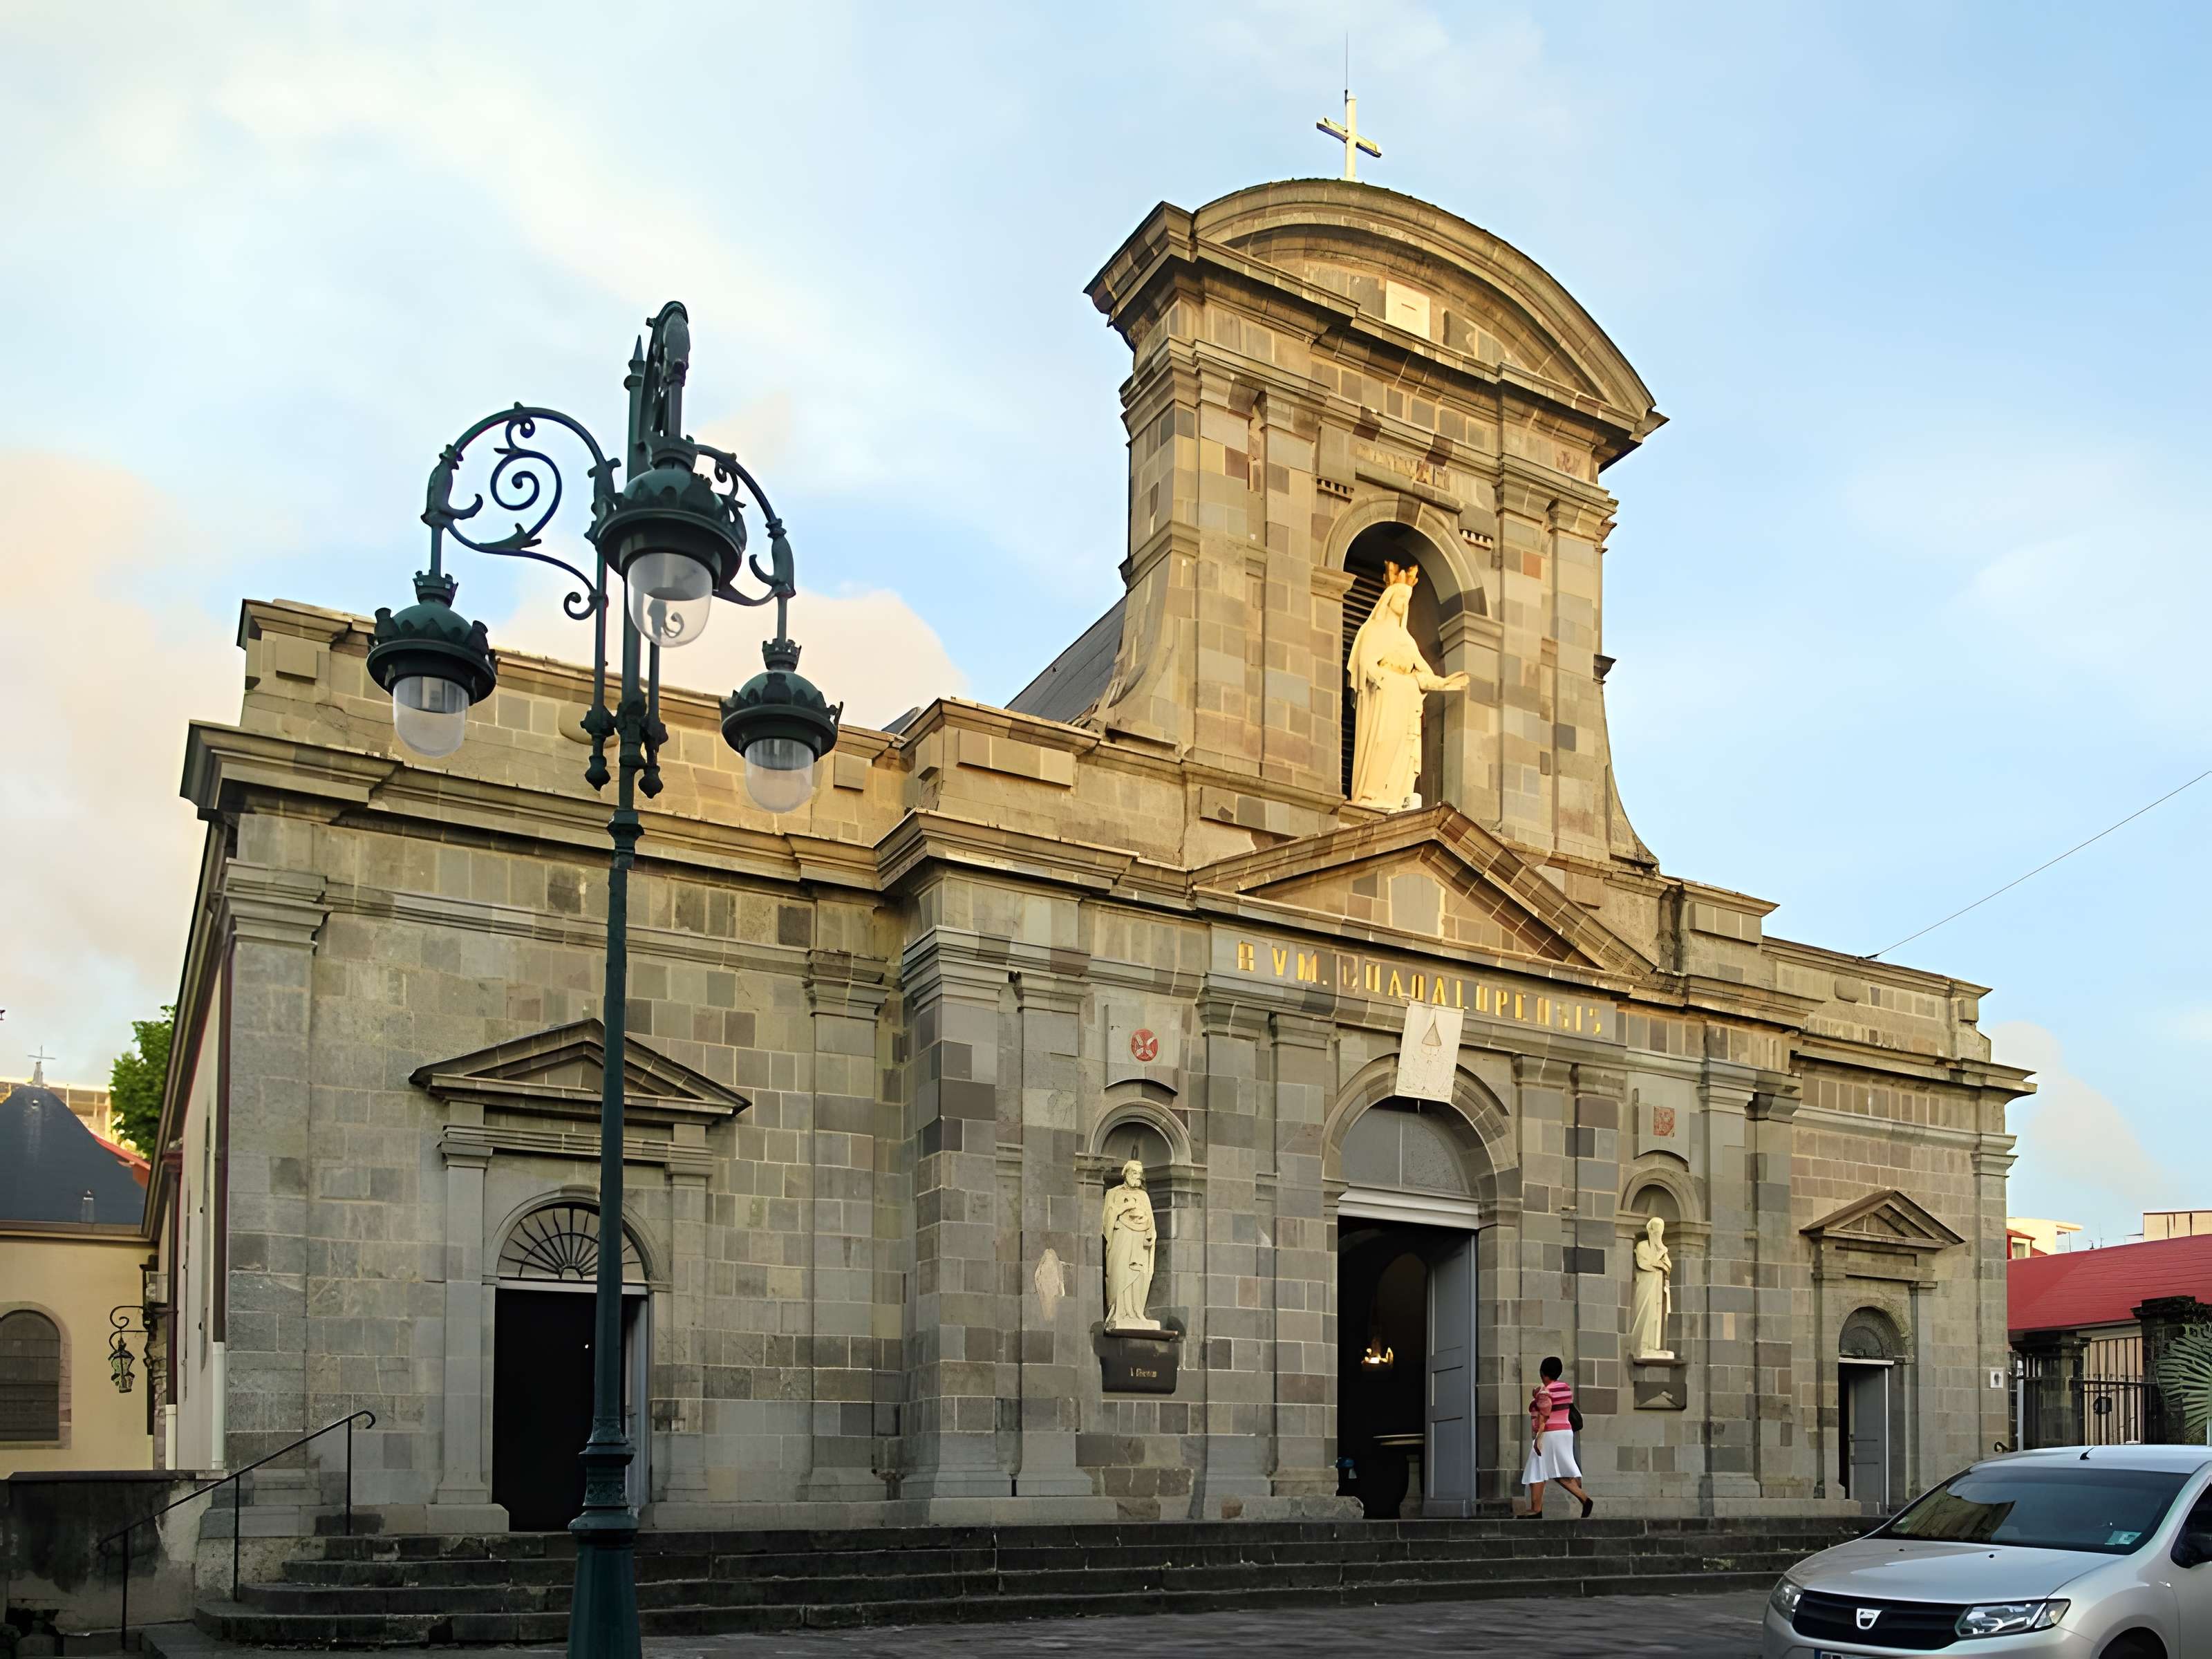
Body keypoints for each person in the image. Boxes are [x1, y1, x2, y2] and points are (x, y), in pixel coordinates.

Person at [1520, 1355, 1593, 1519]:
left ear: (1542, 1373)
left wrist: (1538, 1439)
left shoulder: (1545, 1392)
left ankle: (1536, 1510)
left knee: (1536, 1470)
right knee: (1558, 1473)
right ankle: (1584, 1499)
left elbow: (1544, 1416)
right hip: (1565, 1433)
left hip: (1549, 1433)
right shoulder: (1565, 1388)